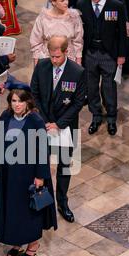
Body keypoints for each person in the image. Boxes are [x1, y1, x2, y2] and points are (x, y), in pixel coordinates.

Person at [0, 89, 57, 256]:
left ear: (28, 102)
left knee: (29, 210)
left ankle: (32, 244)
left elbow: (42, 150)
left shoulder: (35, 121)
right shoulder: (5, 116)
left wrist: (40, 175)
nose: (17, 104)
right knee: (13, 208)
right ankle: (17, 242)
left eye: (20, 101)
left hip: (29, 174)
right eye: (14, 101)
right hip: (9, 172)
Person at [30, 35, 85, 223]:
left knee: (64, 166)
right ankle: (43, 199)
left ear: (66, 52)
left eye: (57, 57)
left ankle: (62, 201)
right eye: (51, 56)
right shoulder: (42, 66)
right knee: (40, 163)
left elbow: (78, 103)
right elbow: (34, 94)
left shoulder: (77, 72)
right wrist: (45, 121)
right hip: (43, 124)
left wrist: (59, 124)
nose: (54, 60)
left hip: (65, 127)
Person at [76, 0, 127, 136]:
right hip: (89, 53)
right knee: (91, 87)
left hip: (109, 54)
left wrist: (122, 54)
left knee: (109, 87)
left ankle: (111, 118)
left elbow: (122, 31)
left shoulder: (116, 5)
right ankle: (96, 116)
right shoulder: (82, 5)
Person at [30, 0, 83, 65]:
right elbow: (36, 43)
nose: (66, 2)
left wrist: (78, 64)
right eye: (62, 1)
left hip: (69, 60)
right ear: (53, 2)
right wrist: (37, 67)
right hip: (47, 59)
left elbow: (78, 42)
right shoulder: (43, 18)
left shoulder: (73, 17)